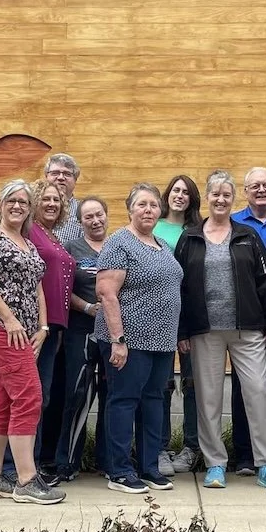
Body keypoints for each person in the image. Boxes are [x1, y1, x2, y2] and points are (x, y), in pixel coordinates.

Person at [176, 170, 266, 491]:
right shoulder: (190, 237)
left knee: (258, 393)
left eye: (226, 194)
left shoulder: (247, 236)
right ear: (208, 198)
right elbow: (180, 287)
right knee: (208, 398)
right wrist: (181, 332)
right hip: (204, 330)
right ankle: (215, 464)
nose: (221, 199)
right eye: (215, 194)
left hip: (249, 329)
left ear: (232, 198)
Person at [0, 180, 64, 505]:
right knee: (29, 395)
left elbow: (36, 285)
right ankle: (26, 480)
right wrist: (9, 318)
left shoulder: (26, 241)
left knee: (7, 400)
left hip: (24, 330)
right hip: (0, 327)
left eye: (24, 202)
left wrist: (42, 326)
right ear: (1, 203)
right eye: (12, 200)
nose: (18, 206)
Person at [95, 183, 184, 494]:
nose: (148, 210)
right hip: (129, 340)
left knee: (154, 403)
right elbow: (106, 292)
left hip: (161, 341)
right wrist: (118, 339)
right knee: (124, 401)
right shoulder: (120, 242)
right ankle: (119, 470)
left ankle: (148, 468)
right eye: (142, 205)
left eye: (153, 205)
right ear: (130, 209)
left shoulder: (161, 244)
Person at [229, 166, 266, 474]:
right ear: (245, 191)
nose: (261, 190)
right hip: (243, 318)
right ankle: (244, 456)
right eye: (255, 186)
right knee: (242, 388)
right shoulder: (232, 223)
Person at [56, 196, 110, 480]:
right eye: (88, 217)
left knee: (111, 396)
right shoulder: (70, 250)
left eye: (99, 214)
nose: (95, 220)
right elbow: (62, 290)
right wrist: (88, 307)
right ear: (80, 222)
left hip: (113, 332)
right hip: (81, 330)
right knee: (77, 395)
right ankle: (67, 462)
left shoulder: (117, 246)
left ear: (106, 215)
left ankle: (108, 460)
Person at [28, 178, 77, 479]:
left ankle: (30, 464)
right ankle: (15, 465)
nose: (51, 204)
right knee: (29, 395)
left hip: (53, 328)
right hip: (34, 325)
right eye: (45, 198)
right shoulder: (29, 231)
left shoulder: (51, 235)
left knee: (41, 396)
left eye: (57, 200)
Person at [154, 175, 203, 474]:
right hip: (158, 316)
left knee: (192, 383)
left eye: (186, 192)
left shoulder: (199, 231)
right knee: (161, 384)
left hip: (192, 317)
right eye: (175, 190)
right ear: (167, 194)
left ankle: (192, 446)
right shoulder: (153, 226)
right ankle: (158, 447)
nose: (180, 196)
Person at [45, 153, 83, 242]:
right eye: (55, 173)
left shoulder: (82, 211)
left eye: (67, 174)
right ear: (46, 177)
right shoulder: (33, 208)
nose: (61, 177)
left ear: (75, 180)